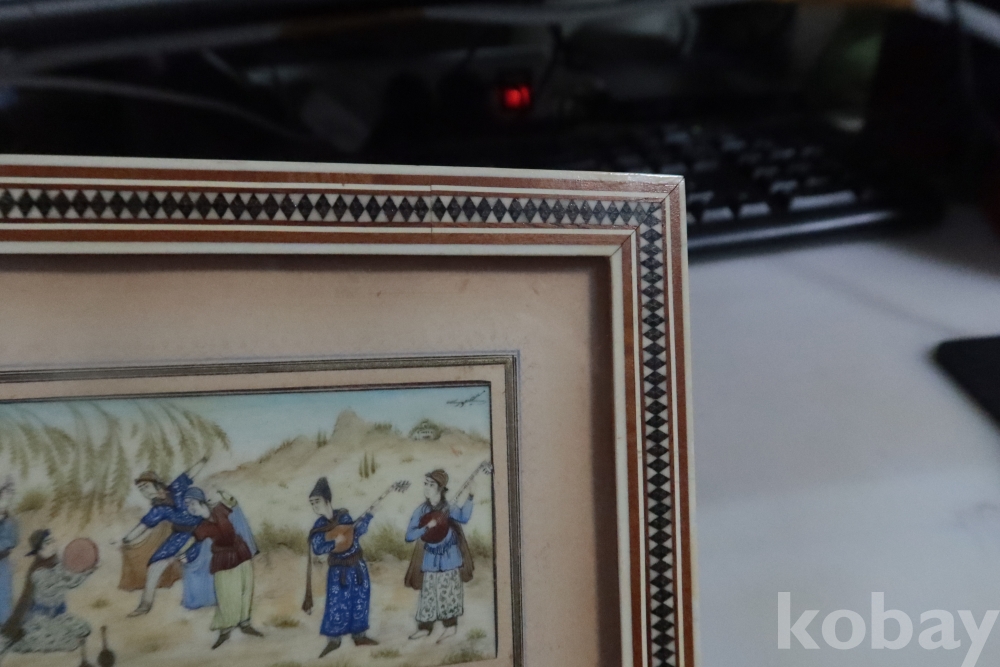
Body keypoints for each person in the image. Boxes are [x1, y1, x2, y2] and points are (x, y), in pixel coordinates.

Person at [120, 456, 208, 617]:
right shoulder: (158, 509)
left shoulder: (177, 488)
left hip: (203, 529)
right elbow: (144, 526)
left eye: (146, 487)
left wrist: (204, 460)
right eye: (141, 489)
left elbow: (190, 473)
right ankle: (145, 604)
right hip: (180, 535)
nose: (144, 492)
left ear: (157, 485)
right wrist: (127, 539)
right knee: (155, 566)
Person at [179, 487, 263, 649]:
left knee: (245, 590)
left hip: (241, 553)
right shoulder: (201, 527)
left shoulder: (219, 509)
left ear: (201, 501)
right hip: (223, 560)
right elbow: (194, 541)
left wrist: (222, 493)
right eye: (187, 505)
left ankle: (245, 624)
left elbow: (234, 505)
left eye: (192, 503)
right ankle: (225, 631)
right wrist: (184, 554)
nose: (190, 508)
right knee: (226, 596)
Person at [306, 477, 378, 658]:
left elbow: (357, 532)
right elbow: (318, 547)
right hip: (338, 571)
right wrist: (333, 543)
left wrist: (369, 516)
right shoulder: (319, 526)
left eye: (317, 501)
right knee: (337, 604)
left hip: (357, 567)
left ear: (327, 500)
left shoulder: (344, 517)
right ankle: (334, 640)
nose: (314, 506)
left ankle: (359, 636)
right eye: (312, 503)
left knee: (360, 600)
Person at [0, 530, 96, 663]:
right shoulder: (38, 572)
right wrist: (83, 573)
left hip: (59, 616)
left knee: (84, 629)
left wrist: (86, 571)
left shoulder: (56, 563)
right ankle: (21, 640)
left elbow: (69, 579)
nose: (53, 544)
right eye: (48, 542)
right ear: (40, 550)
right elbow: (64, 583)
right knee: (70, 642)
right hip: (42, 620)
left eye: (52, 540)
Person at [404, 469, 475, 643]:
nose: (426, 488)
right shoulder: (422, 510)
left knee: (449, 592)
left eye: (431, 485)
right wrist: (426, 527)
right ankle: (425, 628)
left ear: (440, 488)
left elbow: (464, 517)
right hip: (430, 558)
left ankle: (450, 627)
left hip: (450, 557)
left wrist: (471, 496)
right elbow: (409, 535)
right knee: (429, 594)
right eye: (425, 484)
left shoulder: (449, 507)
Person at [0, 479, 18, 626]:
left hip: (3, 561)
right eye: (5, 495)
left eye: (10, 496)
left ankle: (4, 624)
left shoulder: (11, 520)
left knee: (4, 593)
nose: (6, 499)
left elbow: (14, 540)